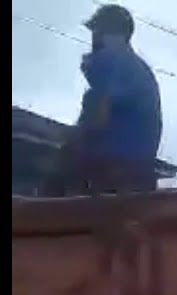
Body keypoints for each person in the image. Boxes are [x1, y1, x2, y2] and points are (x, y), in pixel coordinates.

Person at [47, 5, 163, 196]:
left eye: (100, 32)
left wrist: (67, 148)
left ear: (119, 35)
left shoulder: (113, 62)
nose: (95, 38)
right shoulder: (137, 68)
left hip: (112, 169)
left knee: (57, 178)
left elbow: (96, 117)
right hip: (136, 172)